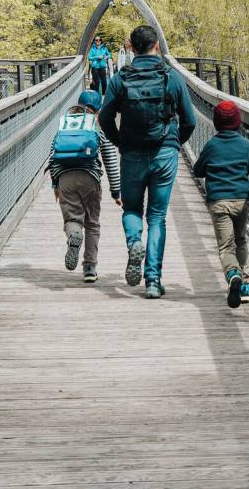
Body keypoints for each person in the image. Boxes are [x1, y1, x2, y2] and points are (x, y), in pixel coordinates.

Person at [97, 24, 197, 298]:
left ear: (131, 46)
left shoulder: (120, 78)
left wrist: (119, 141)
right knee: (157, 217)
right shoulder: (171, 77)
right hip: (164, 153)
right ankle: (153, 281)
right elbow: (190, 121)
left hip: (131, 154)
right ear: (157, 47)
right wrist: (174, 142)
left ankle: (134, 243)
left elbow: (104, 118)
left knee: (131, 209)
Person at [47, 89, 121, 282]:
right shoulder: (97, 128)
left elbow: (52, 156)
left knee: (72, 218)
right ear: (98, 110)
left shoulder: (64, 126)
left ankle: (74, 235)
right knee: (92, 223)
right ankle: (89, 268)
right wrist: (116, 190)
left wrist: (55, 183)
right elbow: (110, 159)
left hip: (65, 179)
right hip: (90, 178)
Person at [193, 99, 249, 307]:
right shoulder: (246, 145)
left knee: (226, 246)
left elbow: (198, 170)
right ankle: (245, 287)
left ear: (216, 123)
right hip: (242, 199)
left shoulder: (212, 145)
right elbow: (246, 168)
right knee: (241, 240)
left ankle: (233, 275)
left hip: (219, 201)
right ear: (238, 122)